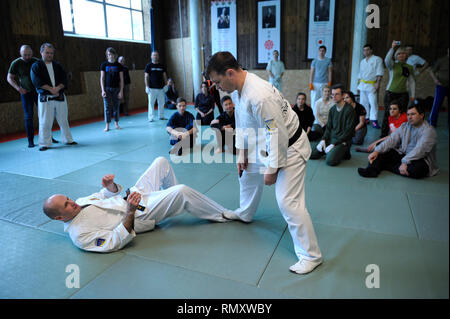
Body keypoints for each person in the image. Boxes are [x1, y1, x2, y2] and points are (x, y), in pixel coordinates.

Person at [206, 51, 322, 275]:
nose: (217, 87)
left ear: (230, 73)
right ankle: (245, 212)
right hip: (266, 142)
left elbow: (275, 132)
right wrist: (241, 152)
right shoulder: (239, 89)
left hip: (290, 147)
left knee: (287, 201)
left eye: (218, 82)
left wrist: (272, 168)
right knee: (246, 171)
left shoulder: (259, 95)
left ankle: (311, 255)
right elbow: (242, 120)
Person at [42, 157, 231, 253]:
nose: (72, 202)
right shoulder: (80, 235)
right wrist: (130, 211)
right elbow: (115, 241)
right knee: (181, 191)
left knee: (161, 162)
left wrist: (110, 186)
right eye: (67, 205)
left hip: (131, 196)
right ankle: (223, 214)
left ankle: (176, 202)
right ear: (59, 217)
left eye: (68, 198)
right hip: (139, 214)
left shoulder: (80, 202)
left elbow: (104, 195)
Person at [358, 104, 438, 179]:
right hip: (403, 154)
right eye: (408, 114)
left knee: (416, 170)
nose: (409, 117)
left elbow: (420, 150)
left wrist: (405, 162)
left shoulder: (429, 131)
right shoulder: (405, 126)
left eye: (413, 114)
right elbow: (391, 139)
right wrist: (377, 151)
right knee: (381, 149)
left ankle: (384, 165)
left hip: (420, 159)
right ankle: (371, 171)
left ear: (421, 115)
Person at [30, 43, 77, 151]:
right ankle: (44, 143)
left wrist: (58, 88)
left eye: (51, 53)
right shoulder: (36, 66)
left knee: (63, 120)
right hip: (45, 97)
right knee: (45, 121)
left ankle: (68, 139)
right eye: (47, 53)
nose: (49, 55)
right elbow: (36, 81)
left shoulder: (58, 65)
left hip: (59, 96)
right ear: (41, 52)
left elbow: (64, 78)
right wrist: (51, 89)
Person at [310, 85, 357, 166]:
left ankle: (342, 152)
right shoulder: (332, 110)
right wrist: (323, 140)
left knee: (330, 161)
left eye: (337, 94)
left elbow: (349, 132)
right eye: (333, 94)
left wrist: (334, 144)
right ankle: (331, 151)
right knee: (311, 154)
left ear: (342, 96)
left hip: (342, 141)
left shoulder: (350, 110)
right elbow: (328, 128)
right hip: (332, 139)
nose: (334, 96)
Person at [7, 45, 40, 148]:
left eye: (29, 54)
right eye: (25, 55)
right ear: (20, 53)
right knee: (29, 116)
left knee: (44, 115)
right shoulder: (16, 63)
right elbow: (9, 78)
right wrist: (18, 88)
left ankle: (48, 137)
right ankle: (30, 141)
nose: (27, 57)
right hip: (25, 93)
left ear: (32, 53)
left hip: (38, 92)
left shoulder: (36, 61)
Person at [381, 41, 415, 138]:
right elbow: (387, 60)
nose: (401, 55)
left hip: (403, 94)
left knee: (402, 115)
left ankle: (400, 134)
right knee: (388, 114)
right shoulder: (392, 65)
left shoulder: (409, 67)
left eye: (403, 53)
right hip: (390, 93)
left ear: (406, 55)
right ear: (396, 55)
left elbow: (412, 82)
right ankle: (383, 136)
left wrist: (412, 95)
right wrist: (392, 48)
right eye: (399, 53)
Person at [357, 44, 384, 129]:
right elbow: (360, 74)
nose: (366, 52)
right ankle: (366, 118)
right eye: (364, 50)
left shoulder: (377, 59)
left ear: (371, 50)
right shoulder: (362, 61)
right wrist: (358, 85)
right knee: (363, 103)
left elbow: (379, 72)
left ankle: (374, 120)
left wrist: (378, 83)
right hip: (362, 84)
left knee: (373, 102)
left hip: (372, 84)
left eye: (368, 50)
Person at [100, 47, 124, 132]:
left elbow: (121, 79)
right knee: (107, 107)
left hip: (116, 89)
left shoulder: (119, 65)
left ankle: (116, 124)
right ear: (107, 55)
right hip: (107, 89)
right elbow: (102, 78)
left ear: (115, 55)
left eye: (112, 54)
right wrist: (103, 90)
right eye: (109, 54)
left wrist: (121, 91)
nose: (110, 56)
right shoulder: (104, 65)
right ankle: (107, 125)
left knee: (116, 107)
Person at [427, 48, 449, 127]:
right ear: (448, 50)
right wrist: (435, 80)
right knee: (437, 104)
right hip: (441, 86)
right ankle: (432, 122)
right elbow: (431, 71)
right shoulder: (442, 60)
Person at [145, 51, 168, 122]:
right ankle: (150, 117)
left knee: (161, 103)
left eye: (156, 55)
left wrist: (166, 85)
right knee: (151, 104)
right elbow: (146, 76)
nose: (155, 56)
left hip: (161, 88)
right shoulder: (148, 66)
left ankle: (161, 116)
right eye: (154, 55)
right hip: (151, 89)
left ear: (158, 57)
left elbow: (164, 75)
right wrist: (147, 86)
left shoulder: (162, 66)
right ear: (151, 57)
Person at [309, 45, 333, 115]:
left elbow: (330, 72)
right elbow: (312, 72)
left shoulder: (328, 61)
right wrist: (310, 83)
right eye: (320, 51)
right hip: (315, 83)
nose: (321, 52)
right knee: (314, 99)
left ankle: (323, 113)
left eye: (323, 51)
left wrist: (329, 82)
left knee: (324, 98)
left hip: (324, 83)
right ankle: (313, 115)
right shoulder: (314, 61)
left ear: (325, 52)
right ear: (318, 51)